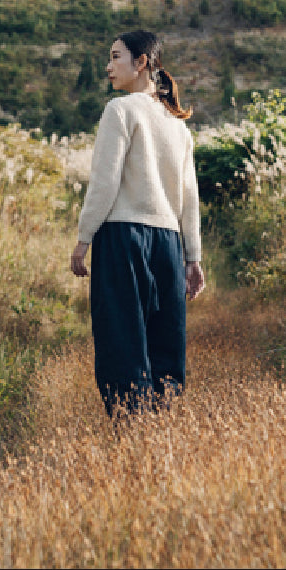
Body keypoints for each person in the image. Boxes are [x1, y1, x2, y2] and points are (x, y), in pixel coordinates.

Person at [69, 29, 204, 419]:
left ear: (141, 62)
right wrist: (192, 258)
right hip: (168, 242)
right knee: (165, 342)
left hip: (123, 237)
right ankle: (160, 425)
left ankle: (132, 432)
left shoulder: (120, 110)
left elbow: (105, 182)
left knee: (122, 339)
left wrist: (83, 238)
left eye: (115, 57)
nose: (108, 67)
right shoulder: (178, 125)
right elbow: (189, 197)